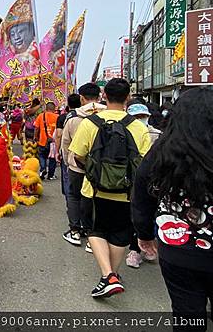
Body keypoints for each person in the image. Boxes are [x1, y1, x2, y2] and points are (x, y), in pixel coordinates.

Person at [132, 88, 213, 330]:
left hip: (179, 251)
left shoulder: (163, 151)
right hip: (181, 253)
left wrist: (144, 234)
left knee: (187, 317)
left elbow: (142, 193)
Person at [69, 78, 151, 298]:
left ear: (105, 97)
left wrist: (95, 170)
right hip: (126, 193)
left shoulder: (90, 122)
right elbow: (143, 163)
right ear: (127, 98)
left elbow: (77, 154)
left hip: (94, 190)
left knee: (95, 231)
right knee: (120, 234)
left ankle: (108, 276)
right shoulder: (137, 127)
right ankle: (112, 275)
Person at [61, 83, 104, 250]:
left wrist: (67, 162)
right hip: (102, 169)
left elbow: (66, 144)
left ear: (81, 98)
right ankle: (93, 236)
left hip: (77, 167)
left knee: (74, 196)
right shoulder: (108, 116)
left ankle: (75, 231)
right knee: (96, 200)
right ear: (99, 97)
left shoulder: (73, 119)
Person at [125, 101, 161, 269]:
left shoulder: (158, 135)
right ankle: (135, 249)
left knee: (148, 213)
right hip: (130, 180)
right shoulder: (122, 133)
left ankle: (145, 245)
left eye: (143, 117)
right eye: (136, 117)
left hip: (151, 182)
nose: (140, 120)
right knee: (135, 215)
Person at [55, 94, 81, 200]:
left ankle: (70, 203)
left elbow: (59, 135)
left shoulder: (62, 117)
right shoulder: (84, 116)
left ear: (68, 104)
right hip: (81, 152)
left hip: (67, 152)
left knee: (67, 178)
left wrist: (57, 151)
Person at [33, 101, 58, 180]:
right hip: (53, 143)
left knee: (42, 156)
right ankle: (51, 175)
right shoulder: (57, 117)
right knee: (52, 158)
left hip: (42, 141)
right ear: (54, 109)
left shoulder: (41, 116)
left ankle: (43, 168)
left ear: (46, 108)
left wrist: (35, 137)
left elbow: (36, 128)